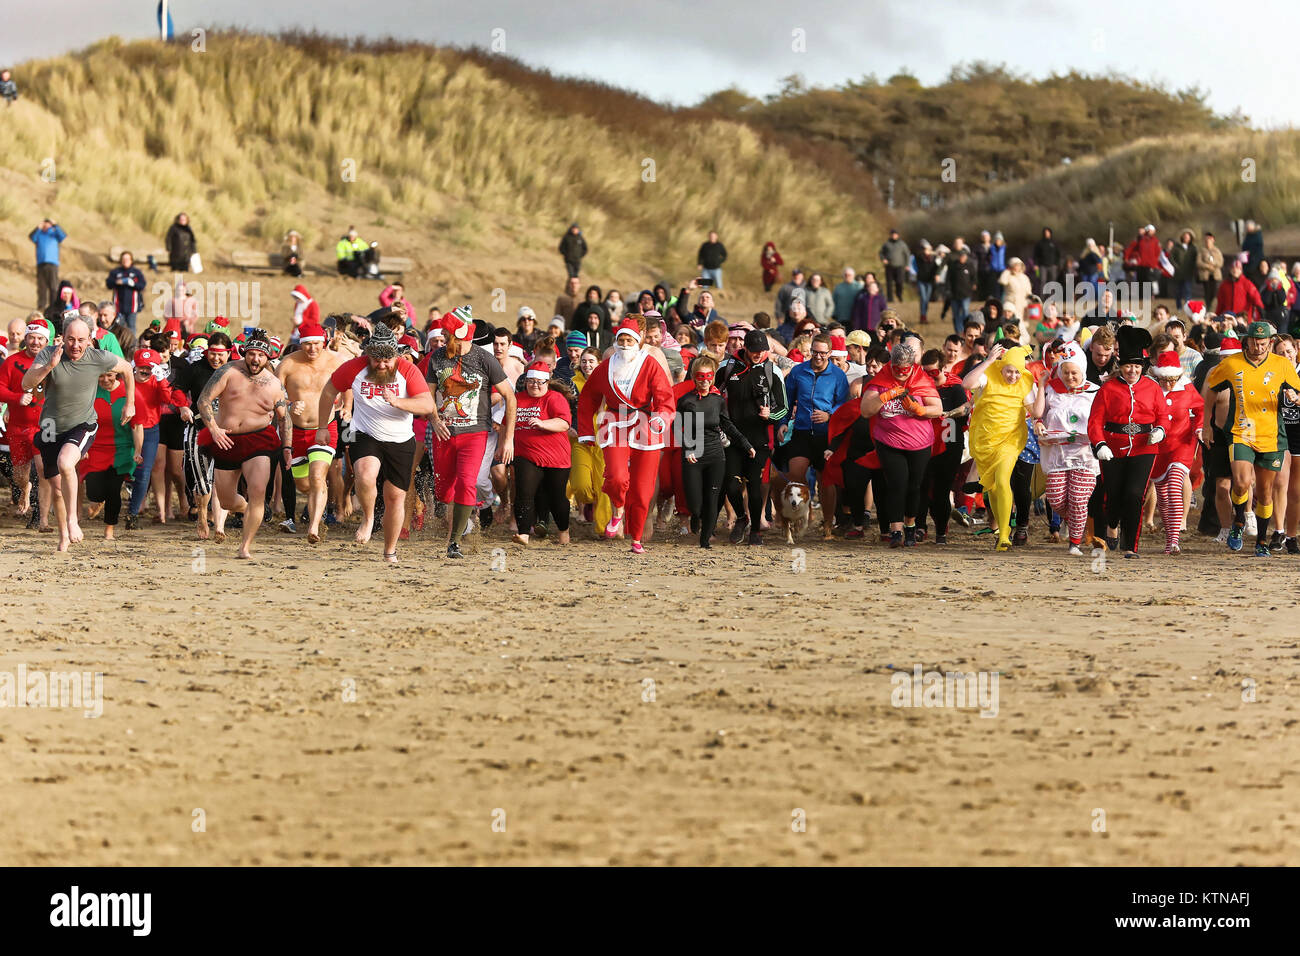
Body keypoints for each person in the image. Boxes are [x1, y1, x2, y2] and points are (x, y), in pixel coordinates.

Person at [315, 323, 433, 562]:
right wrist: (321, 427)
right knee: (365, 474)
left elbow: (427, 406)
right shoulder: (353, 368)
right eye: (376, 360)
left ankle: (389, 550)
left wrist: (399, 402)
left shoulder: (408, 370)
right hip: (365, 433)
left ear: (395, 355)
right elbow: (328, 392)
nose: (381, 365)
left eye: (387, 360)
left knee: (394, 497)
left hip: (400, 439)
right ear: (368, 355)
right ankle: (368, 518)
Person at [22, 318, 134, 552]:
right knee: (56, 487)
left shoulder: (97, 358)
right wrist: (49, 367)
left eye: (81, 340)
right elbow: (26, 383)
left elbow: (126, 368)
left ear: (90, 340)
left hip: (82, 424)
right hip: (51, 425)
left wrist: (129, 403)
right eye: (71, 339)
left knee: (66, 463)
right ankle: (63, 535)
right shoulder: (49, 354)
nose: (75, 345)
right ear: (63, 337)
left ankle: (74, 519)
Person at [576, 317, 675, 554]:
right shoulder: (606, 366)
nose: (625, 343)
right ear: (616, 341)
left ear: (637, 341)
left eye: (630, 339)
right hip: (614, 423)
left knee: (643, 489)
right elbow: (588, 398)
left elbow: (664, 396)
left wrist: (661, 416)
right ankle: (618, 508)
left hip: (646, 425)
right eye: (621, 339)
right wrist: (587, 433)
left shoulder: (650, 364)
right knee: (616, 477)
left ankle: (637, 539)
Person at [426, 308, 516, 559]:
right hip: (443, 434)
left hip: (475, 433)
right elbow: (427, 395)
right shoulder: (437, 358)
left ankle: (454, 542)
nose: (443, 339)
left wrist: (507, 438)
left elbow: (509, 396)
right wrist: (434, 419)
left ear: (461, 335)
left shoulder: (484, 359)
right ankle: (462, 516)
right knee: (444, 491)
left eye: (447, 334)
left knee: (468, 482)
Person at [1204, 320, 1300, 555]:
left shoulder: (1281, 365)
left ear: (1269, 343)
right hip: (1241, 431)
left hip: (1270, 434)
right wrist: (1206, 424)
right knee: (1241, 482)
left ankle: (1262, 542)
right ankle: (1238, 522)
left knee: (1265, 491)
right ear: (1246, 341)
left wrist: (1296, 397)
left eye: (1263, 344)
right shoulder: (1231, 363)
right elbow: (1211, 389)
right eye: (1254, 343)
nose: (1258, 348)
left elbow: (1298, 390)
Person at [192, 329, 289, 559]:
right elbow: (204, 399)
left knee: (257, 489)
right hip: (226, 437)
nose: (255, 359)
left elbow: (285, 418)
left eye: (261, 355)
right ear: (245, 353)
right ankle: (247, 508)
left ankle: (245, 546)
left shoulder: (274, 384)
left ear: (268, 358)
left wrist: (286, 448)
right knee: (226, 500)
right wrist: (213, 429)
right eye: (252, 354)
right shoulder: (229, 371)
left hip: (259, 440)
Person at [1087, 327, 1162, 558]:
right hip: (1113, 447)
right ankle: (1111, 524)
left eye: (1137, 367)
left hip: (1144, 446)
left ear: (1142, 367)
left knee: (1134, 495)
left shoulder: (1152, 387)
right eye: (1128, 366)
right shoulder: (1108, 388)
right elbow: (1095, 421)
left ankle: (1131, 545)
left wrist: (1160, 429)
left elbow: (1162, 414)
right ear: (1121, 366)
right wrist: (1099, 444)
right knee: (1113, 495)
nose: (1132, 371)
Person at [860, 342, 943, 547]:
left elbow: (938, 409)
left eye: (905, 370)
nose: (901, 375)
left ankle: (910, 526)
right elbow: (865, 411)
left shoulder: (922, 379)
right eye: (897, 370)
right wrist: (884, 396)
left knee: (914, 486)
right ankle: (895, 531)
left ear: (913, 366)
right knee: (897, 484)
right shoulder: (881, 380)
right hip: (889, 441)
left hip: (919, 442)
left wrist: (920, 410)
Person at [674, 353, 753, 548]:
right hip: (693, 455)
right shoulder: (686, 401)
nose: (704, 381)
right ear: (694, 377)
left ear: (713, 377)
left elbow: (728, 426)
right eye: (700, 376)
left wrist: (746, 444)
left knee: (713, 498)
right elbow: (676, 428)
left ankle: (705, 540)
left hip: (716, 455)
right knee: (695, 503)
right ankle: (696, 515)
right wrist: (688, 449)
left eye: (708, 376)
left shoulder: (718, 401)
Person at [278, 320, 347, 542]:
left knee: (318, 476)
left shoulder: (335, 362)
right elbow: (274, 394)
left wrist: (348, 406)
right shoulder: (287, 363)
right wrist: (288, 404)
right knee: (304, 484)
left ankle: (314, 528)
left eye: (317, 344)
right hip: (296, 431)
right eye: (308, 344)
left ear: (323, 342)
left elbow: (348, 384)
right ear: (301, 344)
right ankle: (320, 499)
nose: (313, 349)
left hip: (324, 428)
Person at [964, 343, 1035, 551]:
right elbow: (967, 384)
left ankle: (1004, 535)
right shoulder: (989, 374)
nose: (1013, 376)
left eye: (1017, 372)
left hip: (1011, 440)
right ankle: (1000, 531)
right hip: (986, 441)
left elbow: (1036, 410)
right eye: (1009, 371)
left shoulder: (1027, 380)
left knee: (1003, 479)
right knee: (993, 487)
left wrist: (1039, 421)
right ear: (1001, 367)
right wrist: (987, 362)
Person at [1030, 342, 1099, 555]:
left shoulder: (1095, 391)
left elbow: (1101, 419)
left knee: (1078, 499)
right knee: (1056, 498)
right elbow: (1038, 413)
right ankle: (1080, 522)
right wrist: (1041, 386)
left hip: (1084, 455)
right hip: (1056, 453)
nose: (1070, 377)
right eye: (1066, 372)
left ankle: (1075, 542)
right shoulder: (1052, 388)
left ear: (1083, 371)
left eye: (1074, 373)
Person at [779, 332, 849, 538]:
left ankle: (828, 524)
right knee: (796, 474)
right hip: (801, 431)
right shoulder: (798, 371)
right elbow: (787, 400)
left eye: (822, 354)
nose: (818, 357)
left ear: (829, 353)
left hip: (825, 436)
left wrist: (829, 415)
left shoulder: (838, 376)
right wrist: (783, 424)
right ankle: (804, 515)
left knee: (826, 481)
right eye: (814, 353)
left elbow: (844, 405)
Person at [724, 329, 788, 545]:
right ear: (745, 348)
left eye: (762, 351)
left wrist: (771, 415)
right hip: (732, 437)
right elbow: (714, 395)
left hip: (759, 438)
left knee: (754, 487)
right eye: (754, 351)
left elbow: (783, 407)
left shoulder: (773, 371)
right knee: (731, 486)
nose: (758, 354)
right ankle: (741, 519)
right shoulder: (728, 367)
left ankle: (755, 532)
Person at [123, 347, 189, 529]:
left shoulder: (156, 381)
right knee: (123, 471)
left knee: (144, 473)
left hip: (150, 431)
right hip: (125, 430)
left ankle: (132, 514)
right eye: (142, 367)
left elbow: (167, 399)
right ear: (135, 366)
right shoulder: (127, 381)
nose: (145, 371)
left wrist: (161, 380)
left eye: (149, 368)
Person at [1147, 351, 1204, 555]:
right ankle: (1169, 539)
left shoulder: (1187, 388)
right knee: (1162, 494)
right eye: (1165, 380)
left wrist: (1199, 428)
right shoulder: (1149, 388)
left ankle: (1174, 541)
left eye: (1173, 380)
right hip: (1158, 445)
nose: (1169, 385)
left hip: (1183, 442)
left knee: (1175, 484)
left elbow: (1200, 410)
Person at [79, 368, 141, 539]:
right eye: (101, 375)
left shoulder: (129, 392)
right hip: (95, 448)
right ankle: (99, 499)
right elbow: (81, 422)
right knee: (94, 491)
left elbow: (137, 426)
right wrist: (82, 448)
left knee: (113, 490)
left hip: (121, 449)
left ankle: (109, 529)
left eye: (109, 375)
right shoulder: (90, 393)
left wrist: (137, 450)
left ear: (116, 375)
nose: (105, 379)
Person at [0, 322, 52, 528]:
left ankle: (42, 518)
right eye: (32, 337)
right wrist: (16, 398)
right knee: (20, 475)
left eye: (40, 338)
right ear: (26, 339)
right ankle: (25, 489)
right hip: (18, 426)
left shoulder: (54, 362)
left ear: (46, 341)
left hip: (45, 425)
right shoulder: (12, 362)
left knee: (43, 469)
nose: (35, 342)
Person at [917, 348, 971, 545]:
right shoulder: (921, 387)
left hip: (949, 445)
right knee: (921, 486)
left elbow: (966, 408)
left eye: (933, 372)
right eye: (926, 373)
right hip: (925, 444)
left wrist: (947, 414)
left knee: (941, 490)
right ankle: (920, 527)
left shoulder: (954, 387)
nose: (930, 377)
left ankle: (941, 531)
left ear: (942, 369)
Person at [29, 218, 66, 312]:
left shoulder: (54, 233)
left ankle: (53, 306)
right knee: (41, 286)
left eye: (48, 223)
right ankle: (41, 306)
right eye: (45, 223)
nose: (46, 225)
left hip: (52, 263)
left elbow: (63, 236)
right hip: (41, 263)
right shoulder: (39, 234)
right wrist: (38, 227)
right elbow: (31, 237)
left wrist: (56, 225)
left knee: (53, 286)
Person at [105, 251, 147, 334]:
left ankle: (132, 346)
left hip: (132, 306)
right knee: (118, 327)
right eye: (124, 259)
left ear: (131, 260)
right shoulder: (115, 272)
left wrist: (133, 283)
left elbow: (142, 285)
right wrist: (116, 282)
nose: (125, 261)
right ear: (121, 260)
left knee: (131, 327)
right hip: (118, 306)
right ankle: (118, 345)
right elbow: (108, 284)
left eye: (127, 259)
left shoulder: (136, 272)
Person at [946, 248, 976, 335]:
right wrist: (948, 290)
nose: (962, 257)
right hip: (954, 294)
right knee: (956, 314)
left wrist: (974, 284)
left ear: (966, 257)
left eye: (964, 256)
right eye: (961, 256)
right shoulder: (953, 266)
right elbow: (948, 279)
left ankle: (964, 330)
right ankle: (958, 331)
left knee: (965, 312)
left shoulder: (970, 266)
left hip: (966, 294)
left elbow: (974, 277)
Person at [880, 229, 910, 302]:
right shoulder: (886, 244)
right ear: (890, 235)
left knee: (899, 282)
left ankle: (899, 295)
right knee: (889, 283)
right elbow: (881, 253)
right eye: (892, 234)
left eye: (895, 234)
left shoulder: (902, 244)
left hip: (900, 266)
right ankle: (890, 299)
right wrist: (883, 259)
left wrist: (907, 265)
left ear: (898, 235)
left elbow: (907, 254)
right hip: (889, 266)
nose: (894, 235)